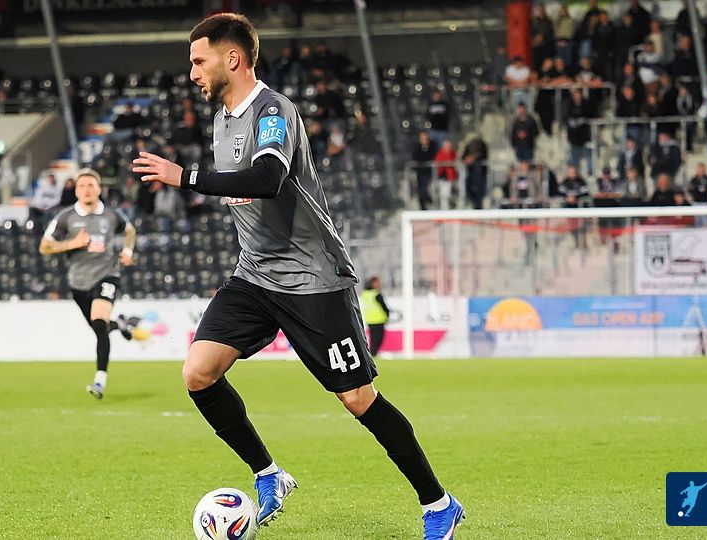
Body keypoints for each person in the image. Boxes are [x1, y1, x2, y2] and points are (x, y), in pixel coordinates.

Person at [131, 14, 463, 537]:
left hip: (313, 278)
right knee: (198, 372)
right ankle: (269, 475)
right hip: (255, 274)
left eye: (198, 60)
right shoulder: (220, 120)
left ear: (232, 58)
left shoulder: (273, 111)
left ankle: (439, 504)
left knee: (358, 399)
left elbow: (267, 177)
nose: (191, 72)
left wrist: (186, 177)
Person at [39, 169, 137, 399]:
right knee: (99, 327)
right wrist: (71, 244)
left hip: (107, 274)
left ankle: (100, 380)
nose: (86, 190)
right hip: (79, 282)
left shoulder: (112, 215)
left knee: (99, 322)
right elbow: (44, 246)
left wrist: (128, 250)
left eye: (91, 185)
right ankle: (120, 325)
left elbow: (130, 230)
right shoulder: (65, 217)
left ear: (99, 189)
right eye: (82, 186)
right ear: (76, 191)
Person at [361, 277, 390, 357]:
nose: (379, 284)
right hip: (379, 319)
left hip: (370, 320)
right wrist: (387, 314)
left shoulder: (365, 294)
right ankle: (373, 354)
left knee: (373, 339)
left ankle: (373, 353)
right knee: (378, 339)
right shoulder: (376, 294)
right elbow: (383, 306)